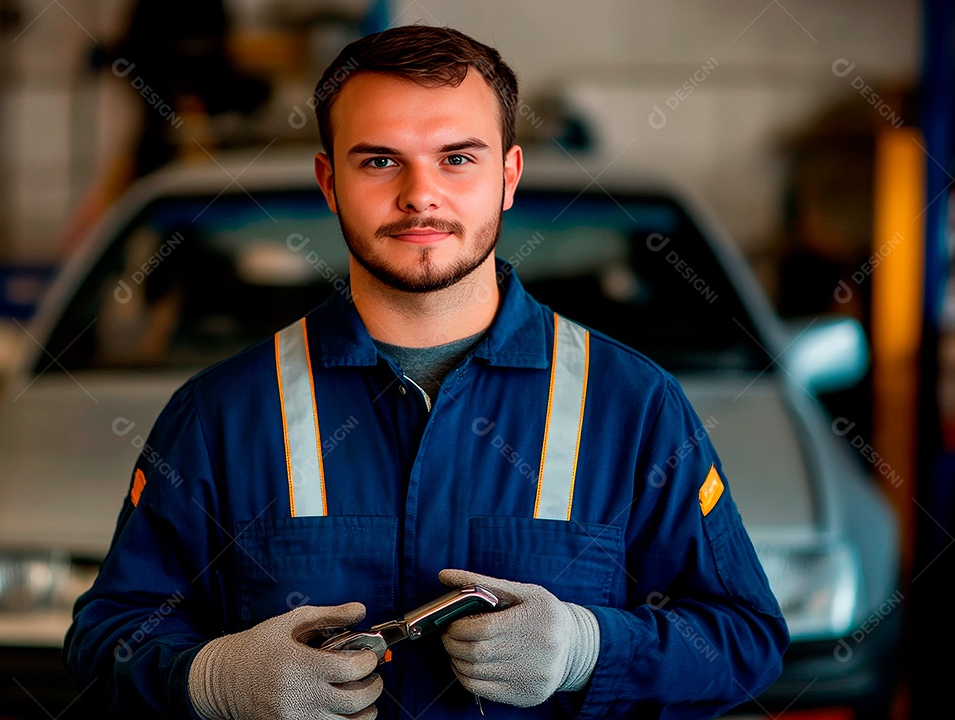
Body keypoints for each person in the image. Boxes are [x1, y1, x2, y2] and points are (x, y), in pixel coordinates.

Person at [63, 24, 789, 720]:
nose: (420, 194)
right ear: (329, 182)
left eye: (458, 159)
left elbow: (743, 641)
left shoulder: (633, 407)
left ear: (508, 176)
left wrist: (587, 649)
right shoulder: (221, 416)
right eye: (380, 161)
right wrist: (214, 681)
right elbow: (105, 647)